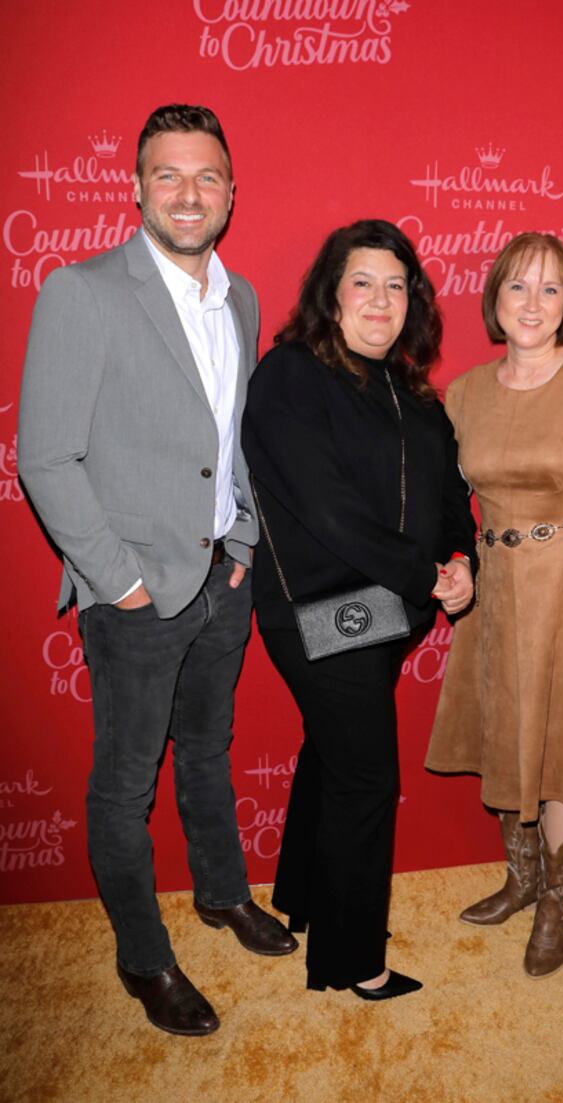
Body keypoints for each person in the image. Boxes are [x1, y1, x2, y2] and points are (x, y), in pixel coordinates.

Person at [18, 104, 297, 1037]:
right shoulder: (83, 291)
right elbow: (45, 456)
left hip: (222, 581)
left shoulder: (241, 297)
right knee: (124, 786)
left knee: (209, 752)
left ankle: (221, 891)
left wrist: (243, 544)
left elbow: (234, 439)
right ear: (136, 187)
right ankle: (144, 957)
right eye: (168, 174)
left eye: (206, 176)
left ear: (231, 192)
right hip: (134, 594)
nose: (188, 193)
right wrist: (121, 582)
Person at [242, 219, 475, 1000]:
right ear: (331, 295)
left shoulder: (412, 392)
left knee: (335, 755)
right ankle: (353, 963)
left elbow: (450, 498)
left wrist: (461, 560)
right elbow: (326, 509)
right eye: (363, 283)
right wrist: (424, 574)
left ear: (414, 302)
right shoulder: (292, 375)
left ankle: (307, 897)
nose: (381, 300)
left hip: (387, 609)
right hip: (319, 609)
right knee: (367, 778)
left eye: (396, 285)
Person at [426, 233, 563, 978]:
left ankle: (556, 897)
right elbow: (448, 504)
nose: (532, 303)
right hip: (497, 589)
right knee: (508, 731)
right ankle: (520, 880)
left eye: (550, 289)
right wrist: (455, 564)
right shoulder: (464, 393)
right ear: (495, 298)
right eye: (518, 286)